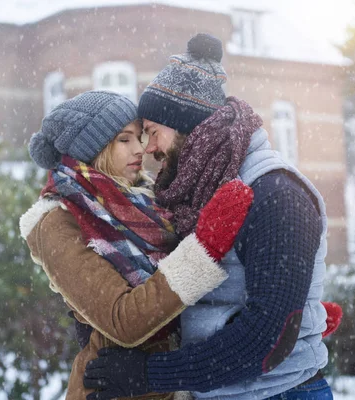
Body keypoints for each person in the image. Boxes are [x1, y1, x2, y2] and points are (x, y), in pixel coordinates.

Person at [84, 34, 338, 400]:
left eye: (153, 132)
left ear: (188, 122)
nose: (148, 148)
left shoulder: (277, 193)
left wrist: (150, 375)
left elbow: (267, 338)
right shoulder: (202, 192)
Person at [19, 90, 254, 400]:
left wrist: (280, 314)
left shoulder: (146, 202)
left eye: (141, 136)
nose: (140, 149)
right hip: (113, 390)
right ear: (94, 149)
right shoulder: (59, 221)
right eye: (124, 139)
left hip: (164, 386)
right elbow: (123, 319)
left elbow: (179, 301)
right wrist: (202, 251)